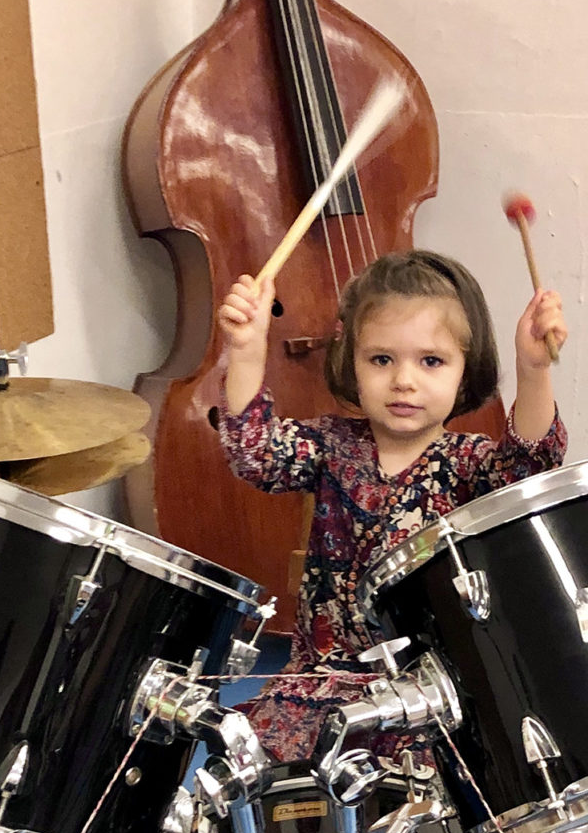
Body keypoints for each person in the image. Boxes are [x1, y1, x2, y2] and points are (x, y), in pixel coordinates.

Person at [217, 249, 568, 763]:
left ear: (465, 370)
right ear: (351, 361)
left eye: (431, 361)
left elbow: (530, 466)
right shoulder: (330, 444)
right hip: (324, 689)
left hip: (435, 699)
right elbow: (256, 455)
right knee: (242, 762)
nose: (404, 380)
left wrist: (533, 371)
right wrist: (247, 352)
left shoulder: (468, 461)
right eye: (381, 359)